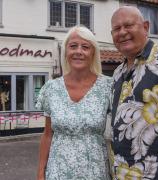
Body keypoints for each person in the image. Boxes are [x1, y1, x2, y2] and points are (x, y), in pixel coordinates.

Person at [110, 5, 158, 179]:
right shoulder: (118, 72)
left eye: (128, 25)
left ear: (146, 27)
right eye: (116, 29)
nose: (122, 32)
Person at [36, 26, 112, 180]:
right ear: (66, 51)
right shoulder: (51, 88)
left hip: (95, 172)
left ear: (93, 53)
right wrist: (40, 172)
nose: (79, 51)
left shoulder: (108, 87)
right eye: (73, 46)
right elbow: (47, 135)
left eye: (85, 47)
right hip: (58, 172)